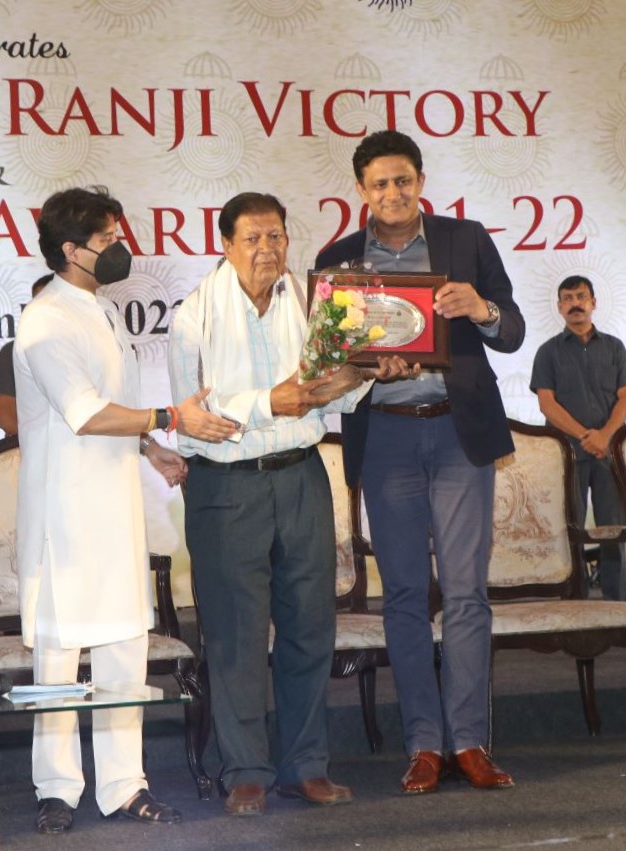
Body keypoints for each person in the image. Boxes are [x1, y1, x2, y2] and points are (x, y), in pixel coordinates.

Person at [170, 191, 404, 816]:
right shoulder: (193, 316)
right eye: (252, 238)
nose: (267, 249)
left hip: (302, 476)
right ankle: (245, 769)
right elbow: (189, 417)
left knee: (309, 628)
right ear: (225, 245)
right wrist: (267, 402)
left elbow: (329, 396)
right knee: (235, 635)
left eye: (276, 236)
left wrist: (364, 374)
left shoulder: (308, 303)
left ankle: (305, 767)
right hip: (226, 487)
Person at [16, 187, 235, 834]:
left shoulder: (104, 309)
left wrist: (150, 447)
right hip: (63, 513)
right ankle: (56, 788)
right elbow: (84, 413)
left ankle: (123, 785)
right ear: (71, 250)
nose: (119, 248)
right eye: (107, 240)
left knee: (123, 648)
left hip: (116, 505)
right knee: (58, 657)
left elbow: (113, 405)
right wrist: (171, 417)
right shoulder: (45, 319)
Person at [314, 129, 525, 795]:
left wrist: (480, 308)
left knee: (466, 593)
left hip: (458, 435)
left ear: (421, 181)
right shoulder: (338, 260)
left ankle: (469, 741)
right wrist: (366, 369)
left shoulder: (465, 241)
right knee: (403, 595)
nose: (393, 193)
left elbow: (513, 330)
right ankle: (424, 744)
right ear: (361, 190)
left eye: (402, 180)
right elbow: (323, 363)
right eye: (379, 183)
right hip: (385, 438)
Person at [529, 274, 626, 601]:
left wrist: (605, 436)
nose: (575, 303)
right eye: (568, 298)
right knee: (569, 528)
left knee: (614, 529)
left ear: (593, 303)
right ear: (560, 307)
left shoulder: (614, 348)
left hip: (609, 453)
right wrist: (586, 436)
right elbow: (547, 403)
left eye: (581, 297)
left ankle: (618, 602)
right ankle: (575, 600)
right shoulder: (548, 352)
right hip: (568, 455)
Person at [0, 273, 53, 436]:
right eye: (37, 303)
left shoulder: (88, 349)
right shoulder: (14, 351)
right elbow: (7, 420)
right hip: (31, 448)